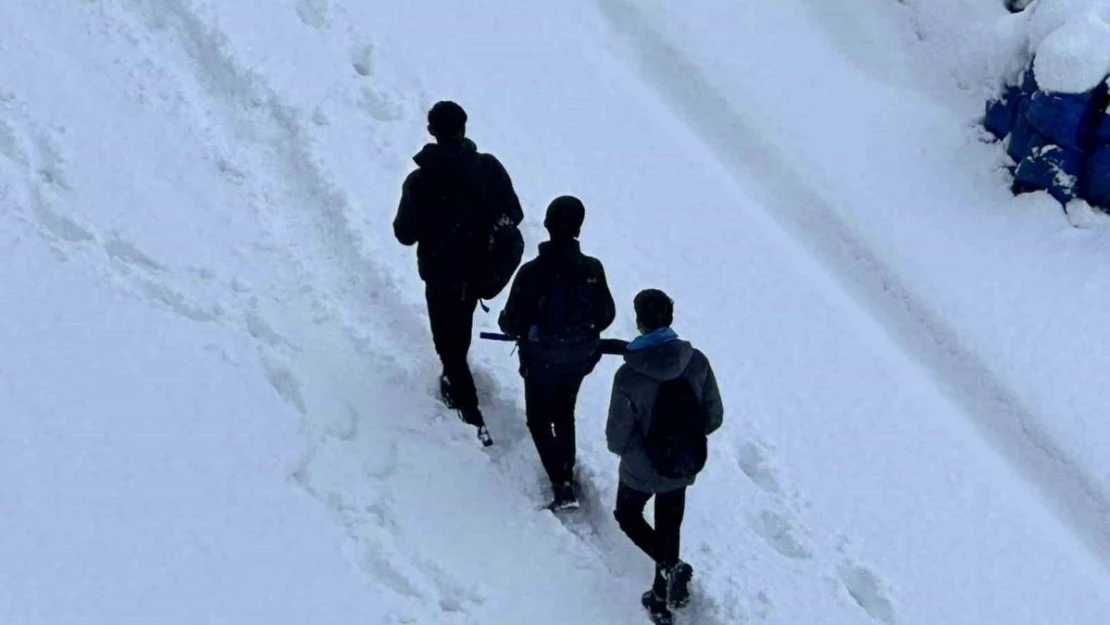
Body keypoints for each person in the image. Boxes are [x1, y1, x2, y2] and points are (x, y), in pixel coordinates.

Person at [394, 101, 523, 446]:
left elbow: (404, 233)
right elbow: (515, 213)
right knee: (459, 329)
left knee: (446, 342)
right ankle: (456, 378)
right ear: (464, 128)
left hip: (441, 273)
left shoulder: (420, 181)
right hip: (480, 271)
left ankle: (470, 411)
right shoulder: (489, 168)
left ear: (431, 132)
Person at [606, 289, 724, 625]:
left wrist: (636, 455)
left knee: (628, 515)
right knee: (669, 527)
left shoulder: (629, 375)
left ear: (640, 322)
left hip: (640, 469)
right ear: (670, 319)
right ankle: (661, 598)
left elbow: (617, 437)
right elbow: (713, 417)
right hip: (682, 464)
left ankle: (672, 569)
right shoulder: (696, 361)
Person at [498, 195, 616, 510]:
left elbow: (511, 321)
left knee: (538, 420)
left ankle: (561, 485)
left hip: (540, 361)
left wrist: (525, 329)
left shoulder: (533, 272)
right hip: (579, 358)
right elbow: (607, 314)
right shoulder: (593, 268)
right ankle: (566, 469)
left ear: (548, 225)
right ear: (578, 228)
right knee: (564, 412)